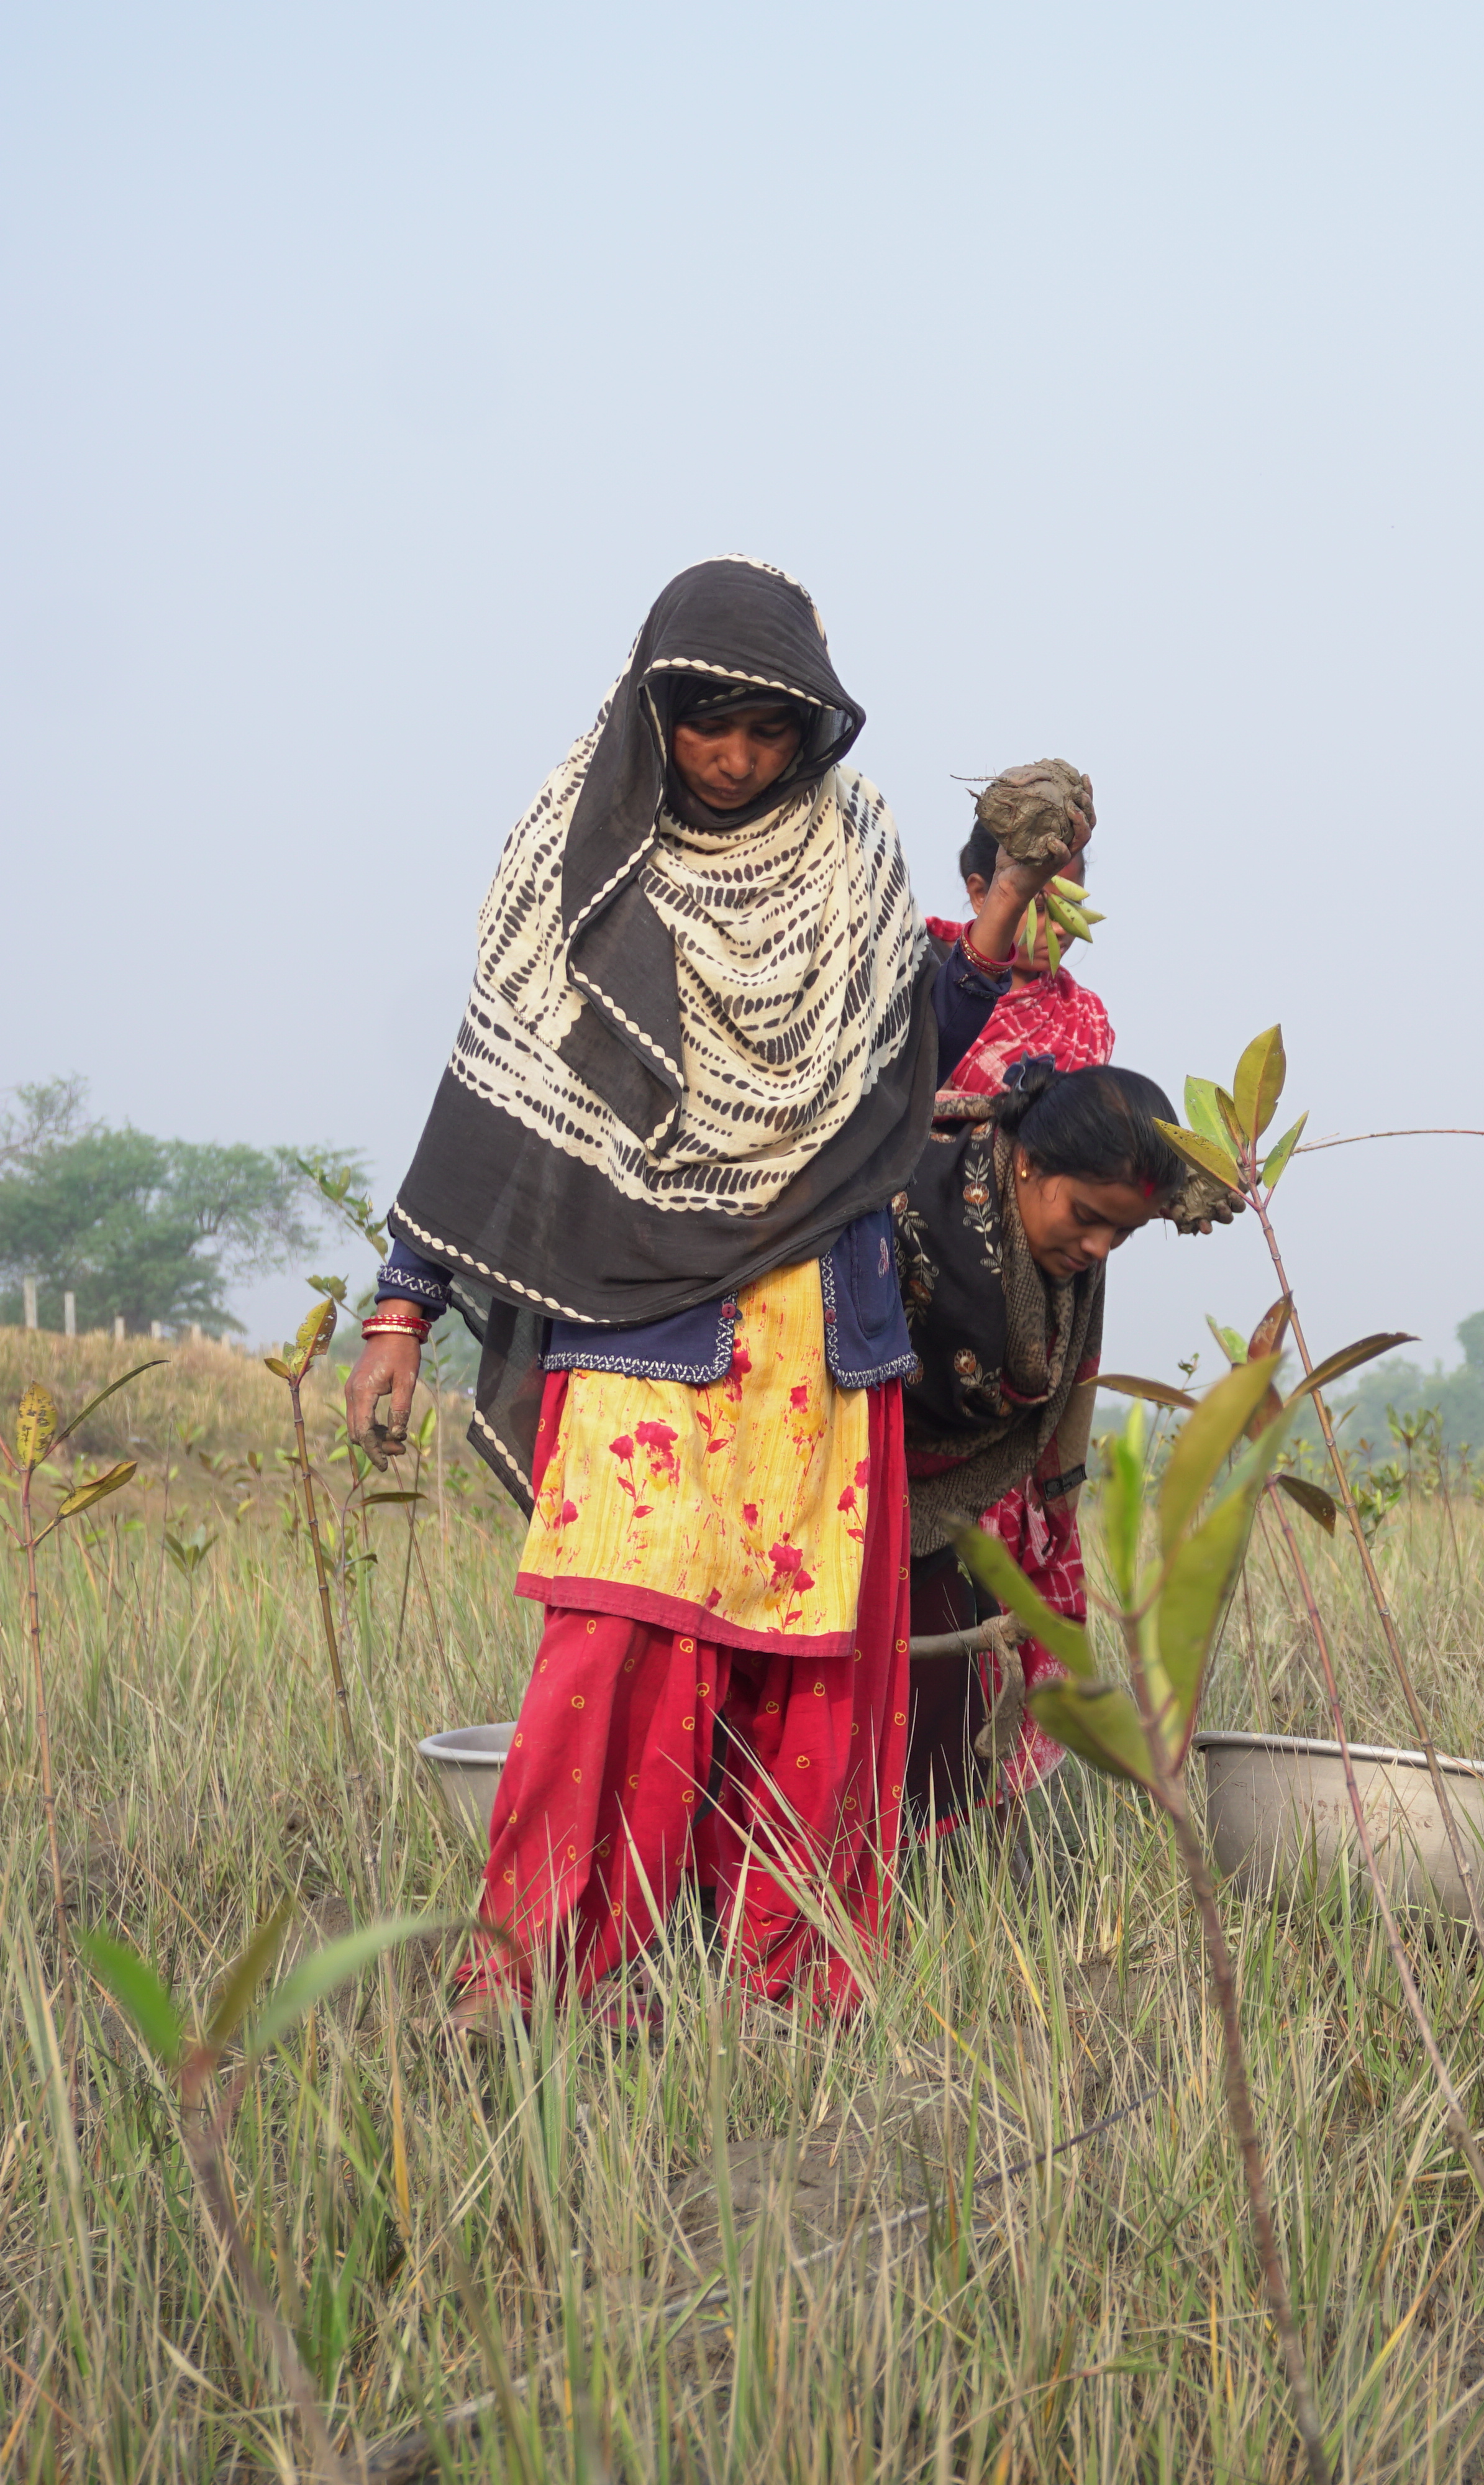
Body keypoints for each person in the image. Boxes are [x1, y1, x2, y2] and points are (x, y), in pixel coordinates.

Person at [341, 558, 1017, 2020]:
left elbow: (897, 1063)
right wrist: (403, 1306)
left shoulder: (853, 860)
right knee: (607, 1654)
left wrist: (997, 937)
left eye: (769, 733)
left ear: (814, 736)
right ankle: (532, 1978)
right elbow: (499, 1108)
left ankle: (785, 1987)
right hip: (642, 1328)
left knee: (808, 1670)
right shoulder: (579, 864)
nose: (735, 758)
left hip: (817, 1342)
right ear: (659, 711)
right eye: (709, 724)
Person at [895, 1060, 1201, 1832]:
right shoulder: (904, 1205)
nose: (1099, 1247)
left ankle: (913, 1902)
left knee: (946, 1720)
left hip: (940, 1513)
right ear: (1028, 1161)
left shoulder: (1060, 1262)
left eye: (1123, 1232)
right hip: (840, 1498)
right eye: (1087, 1215)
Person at [927, 761, 1113, 1100]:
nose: (1059, 928)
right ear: (981, 895)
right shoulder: (922, 970)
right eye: (1040, 909)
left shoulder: (1086, 1017)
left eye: (1071, 909)